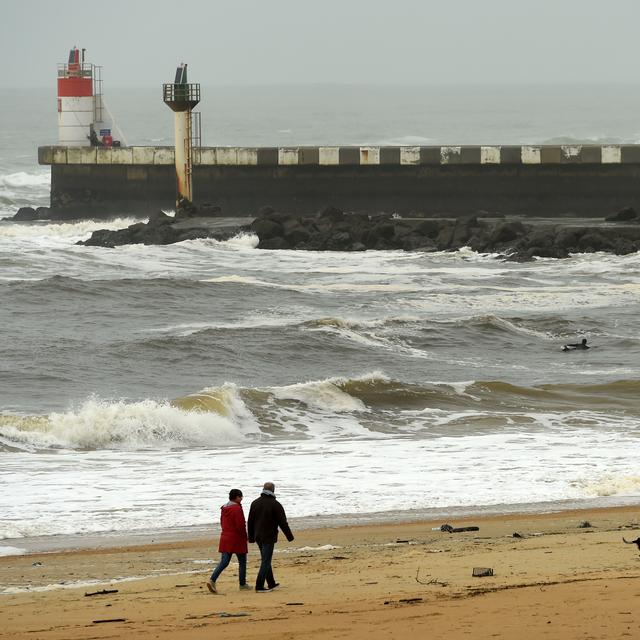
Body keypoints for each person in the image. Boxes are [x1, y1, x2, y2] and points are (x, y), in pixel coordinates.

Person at [247, 482, 294, 592]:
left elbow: (250, 522)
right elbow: (283, 523)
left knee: (265, 559)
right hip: (269, 536)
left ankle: (271, 583)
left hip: (258, 535)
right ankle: (259, 586)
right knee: (266, 561)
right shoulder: (275, 504)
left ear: (263, 489)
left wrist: (251, 537)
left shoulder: (255, 503)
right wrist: (289, 536)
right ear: (273, 490)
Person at [206, 489, 250, 594]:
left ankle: (212, 580)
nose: (242, 499)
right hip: (237, 538)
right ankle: (242, 584)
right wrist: (245, 536)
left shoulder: (224, 508)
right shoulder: (236, 508)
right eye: (241, 497)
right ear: (237, 497)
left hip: (225, 537)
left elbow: (222, 522)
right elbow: (240, 525)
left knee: (224, 562)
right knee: (242, 562)